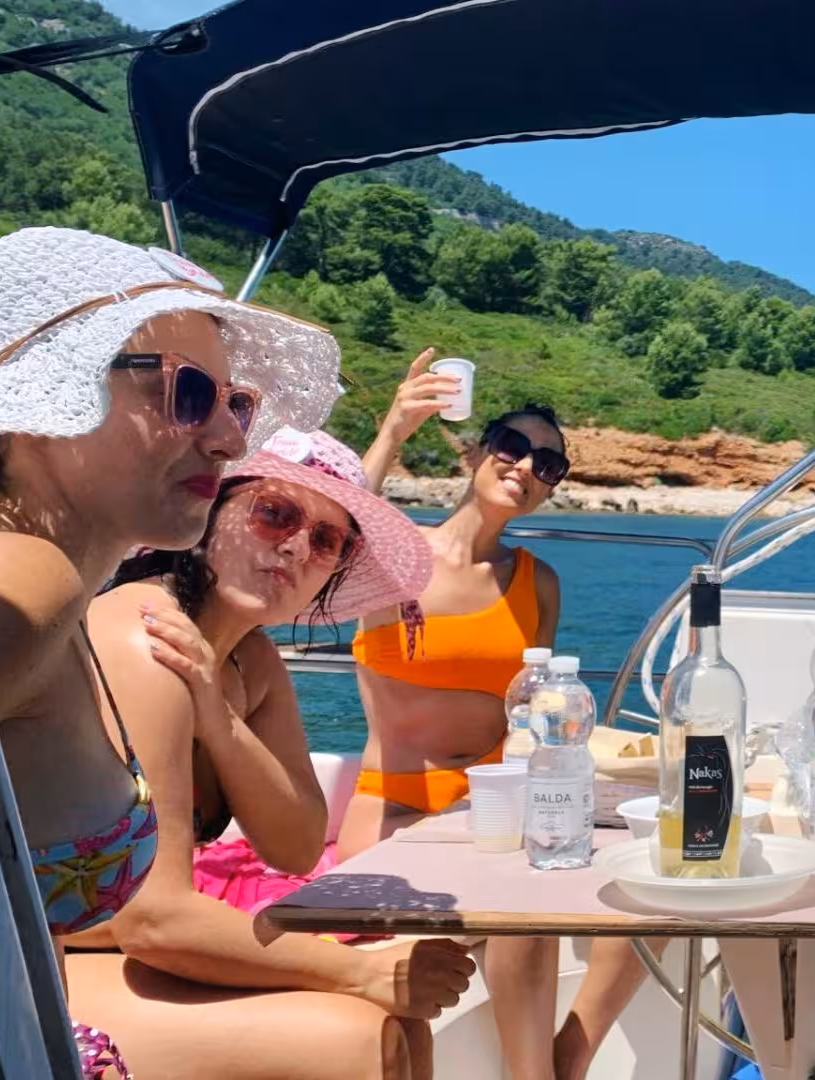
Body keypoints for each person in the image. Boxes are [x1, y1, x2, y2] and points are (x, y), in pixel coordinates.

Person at [0, 227, 339, 1077]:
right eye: (187, 396)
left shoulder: (26, 578)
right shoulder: (13, 581)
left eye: (235, 405)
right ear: (42, 402)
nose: (227, 440)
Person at [61, 427, 472, 1080]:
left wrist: (219, 718)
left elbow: (296, 844)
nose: (296, 547)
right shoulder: (147, 637)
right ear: (209, 513)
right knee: (361, 1039)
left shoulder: (249, 662)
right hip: (13, 970)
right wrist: (362, 971)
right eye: (274, 513)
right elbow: (153, 919)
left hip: (103, 952)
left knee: (402, 1030)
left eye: (326, 540)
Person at [353, 353, 638, 1080]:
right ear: (478, 452)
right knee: (527, 904)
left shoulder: (537, 582)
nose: (525, 466)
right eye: (511, 446)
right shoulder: (395, 553)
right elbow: (341, 517)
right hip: (399, 814)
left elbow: (539, 712)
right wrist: (393, 429)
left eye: (549, 462)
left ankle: (568, 1057)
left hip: (500, 810)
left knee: (658, 874)